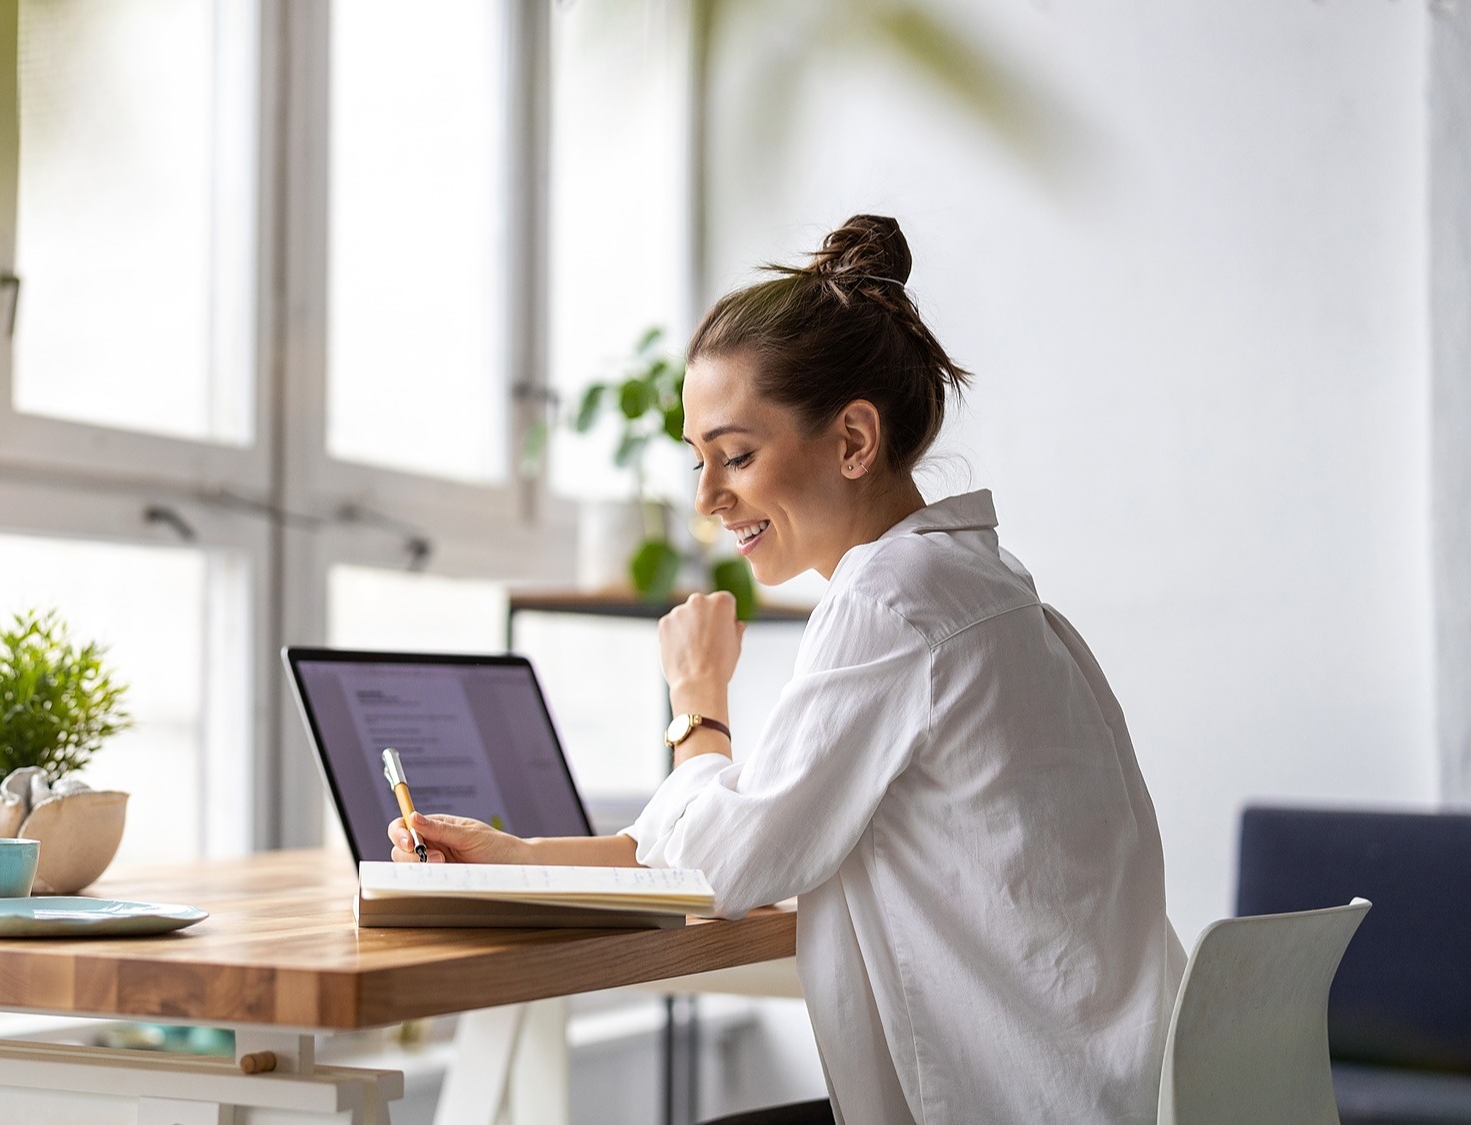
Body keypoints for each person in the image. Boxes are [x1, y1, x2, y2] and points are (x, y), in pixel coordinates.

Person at [388, 215, 1185, 1125]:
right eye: (697, 460)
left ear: (852, 440)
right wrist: (523, 860)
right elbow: (747, 825)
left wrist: (696, 703)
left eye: (736, 454)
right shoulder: (977, 585)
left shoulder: (889, 600)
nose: (706, 497)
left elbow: (726, 862)